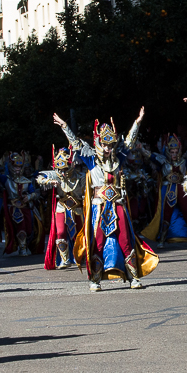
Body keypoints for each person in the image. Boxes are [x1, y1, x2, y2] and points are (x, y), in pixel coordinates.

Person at [54, 109, 158, 292]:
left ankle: (134, 277)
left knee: (126, 239)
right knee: (98, 241)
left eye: (111, 144)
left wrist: (138, 122)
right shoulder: (91, 159)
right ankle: (95, 279)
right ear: (99, 143)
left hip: (118, 204)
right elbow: (76, 144)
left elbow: (130, 142)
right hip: (99, 206)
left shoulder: (119, 158)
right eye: (105, 144)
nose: (109, 148)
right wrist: (64, 126)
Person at [142, 134, 187, 246]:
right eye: (172, 152)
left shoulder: (183, 162)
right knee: (166, 213)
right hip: (168, 189)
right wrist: (141, 149)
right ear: (168, 151)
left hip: (181, 188)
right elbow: (151, 156)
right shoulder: (163, 161)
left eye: (176, 152)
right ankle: (162, 239)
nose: (174, 154)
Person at [37, 147, 86, 269]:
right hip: (62, 206)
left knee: (80, 234)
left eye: (65, 169)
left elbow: (88, 188)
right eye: (60, 169)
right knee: (60, 232)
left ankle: (80, 257)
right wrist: (49, 182)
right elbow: (39, 178)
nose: (63, 172)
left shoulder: (80, 176)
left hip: (77, 208)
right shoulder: (56, 175)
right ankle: (65, 259)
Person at [0, 152, 42, 256]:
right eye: (15, 167)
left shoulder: (27, 181)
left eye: (19, 167)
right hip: (14, 208)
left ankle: (28, 245)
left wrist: (29, 197)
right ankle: (22, 247)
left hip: (26, 207)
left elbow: (35, 193)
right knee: (20, 226)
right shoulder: (7, 180)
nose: (17, 169)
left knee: (30, 229)